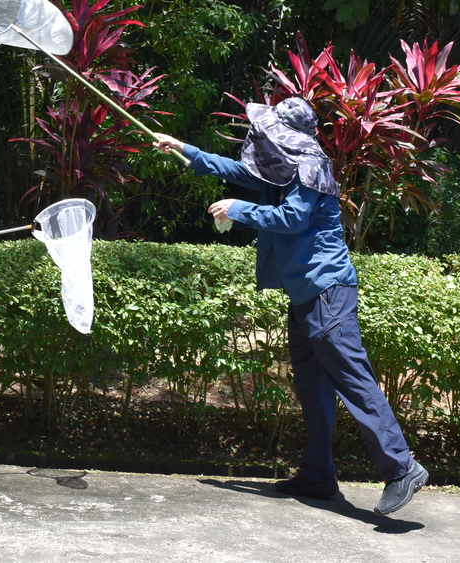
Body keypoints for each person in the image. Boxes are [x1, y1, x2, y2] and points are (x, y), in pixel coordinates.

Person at [153, 97, 428, 516]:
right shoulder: (282, 167)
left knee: (354, 381)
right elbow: (236, 170)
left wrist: (238, 209)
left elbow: (291, 219)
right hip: (304, 297)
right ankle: (318, 476)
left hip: (327, 291)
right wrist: (183, 149)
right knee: (313, 389)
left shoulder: (311, 168)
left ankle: (402, 467)